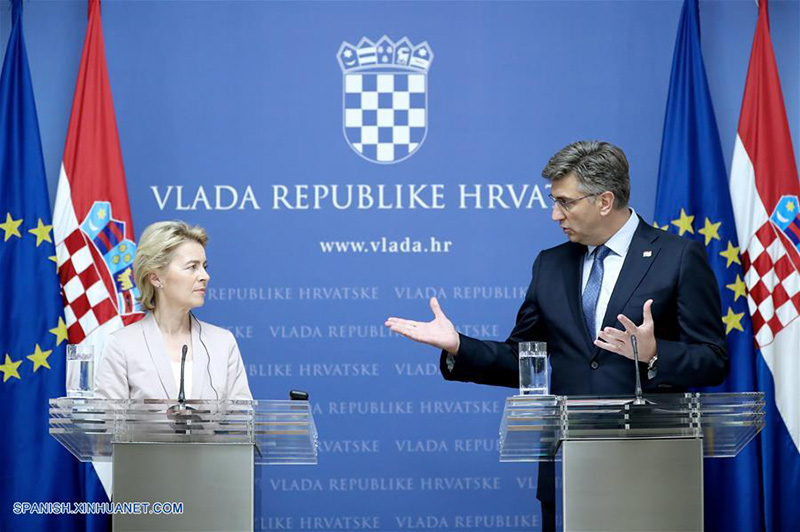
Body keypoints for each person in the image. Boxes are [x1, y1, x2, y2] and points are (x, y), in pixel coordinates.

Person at [385, 140, 727, 531]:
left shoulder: (678, 256)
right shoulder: (550, 264)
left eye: (565, 202)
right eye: (554, 201)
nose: (555, 214)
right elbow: (521, 359)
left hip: (652, 470)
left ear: (604, 201)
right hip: (569, 473)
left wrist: (654, 354)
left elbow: (714, 359)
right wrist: (458, 346)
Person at [94, 221, 252, 401]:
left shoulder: (223, 343)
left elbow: (242, 415)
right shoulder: (122, 345)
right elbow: (108, 417)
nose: (205, 276)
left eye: (204, 267)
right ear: (155, 278)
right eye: (192, 267)